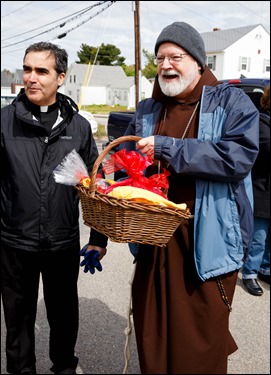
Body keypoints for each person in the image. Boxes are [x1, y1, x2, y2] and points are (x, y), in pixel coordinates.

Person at [117, 22, 259, 374]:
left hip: (206, 241)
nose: (166, 65)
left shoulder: (230, 101)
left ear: (198, 61)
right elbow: (126, 164)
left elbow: (237, 157)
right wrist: (117, 185)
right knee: (154, 331)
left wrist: (171, 148)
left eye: (175, 56)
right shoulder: (149, 108)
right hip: (155, 237)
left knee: (199, 340)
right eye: (160, 57)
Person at [1, 42, 108, 375]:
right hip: (14, 242)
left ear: (61, 77)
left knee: (64, 315)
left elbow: (98, 187)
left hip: (62, 241)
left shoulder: (78, 127)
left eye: (41, 71)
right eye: (27, 69)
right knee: (17, 320)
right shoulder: (4, 122)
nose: (31, 78)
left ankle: (64, 367)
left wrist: (98, 239)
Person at [242, 85, 270, 295]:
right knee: (258, 236)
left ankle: (265, 268)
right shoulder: (261, 121)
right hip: (262, 187)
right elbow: (265, 148)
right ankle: (249, 273)